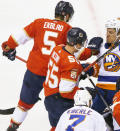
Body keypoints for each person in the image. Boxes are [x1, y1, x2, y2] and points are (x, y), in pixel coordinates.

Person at [1, 1, 100, 131]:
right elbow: (78, 52)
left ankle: (13, 125)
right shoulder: (67, 30)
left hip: (34, 71)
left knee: (24, 103)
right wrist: (92, 51)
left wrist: (8, 48)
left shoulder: (39, 23)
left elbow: (17, 37)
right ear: (67, 16)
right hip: (55, 76)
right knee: (59, 108)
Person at [44, 27, 97, 131]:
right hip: (60, 101)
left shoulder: (58, 48)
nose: (82, 46)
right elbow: (66, 92)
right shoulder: (72, 64)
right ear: (77, 44)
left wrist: (90, 52)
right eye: (81, 43)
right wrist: (84, 92)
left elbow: (65, 65)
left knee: (56, 127)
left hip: (49, 96)